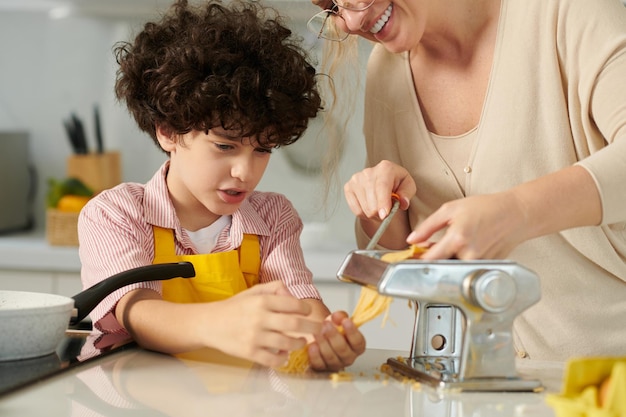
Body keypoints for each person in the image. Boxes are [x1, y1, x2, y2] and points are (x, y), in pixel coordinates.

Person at [310, 0, 626, 361]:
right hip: (469, 392)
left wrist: (518, 211)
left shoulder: (566, 12)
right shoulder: (385, 70)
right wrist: (380, 209)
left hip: (607, 385)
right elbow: (398, 259)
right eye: (333, 6)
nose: (351, 21)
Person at [78, 0, 365, 371]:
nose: (245, 172)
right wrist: (219, 323)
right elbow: (138, 311)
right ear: (168, 131)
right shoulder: (116, 213)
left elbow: (301, 302)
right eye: (225, 146)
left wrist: (323, 339)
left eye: (262, 149)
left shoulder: (272, 217)